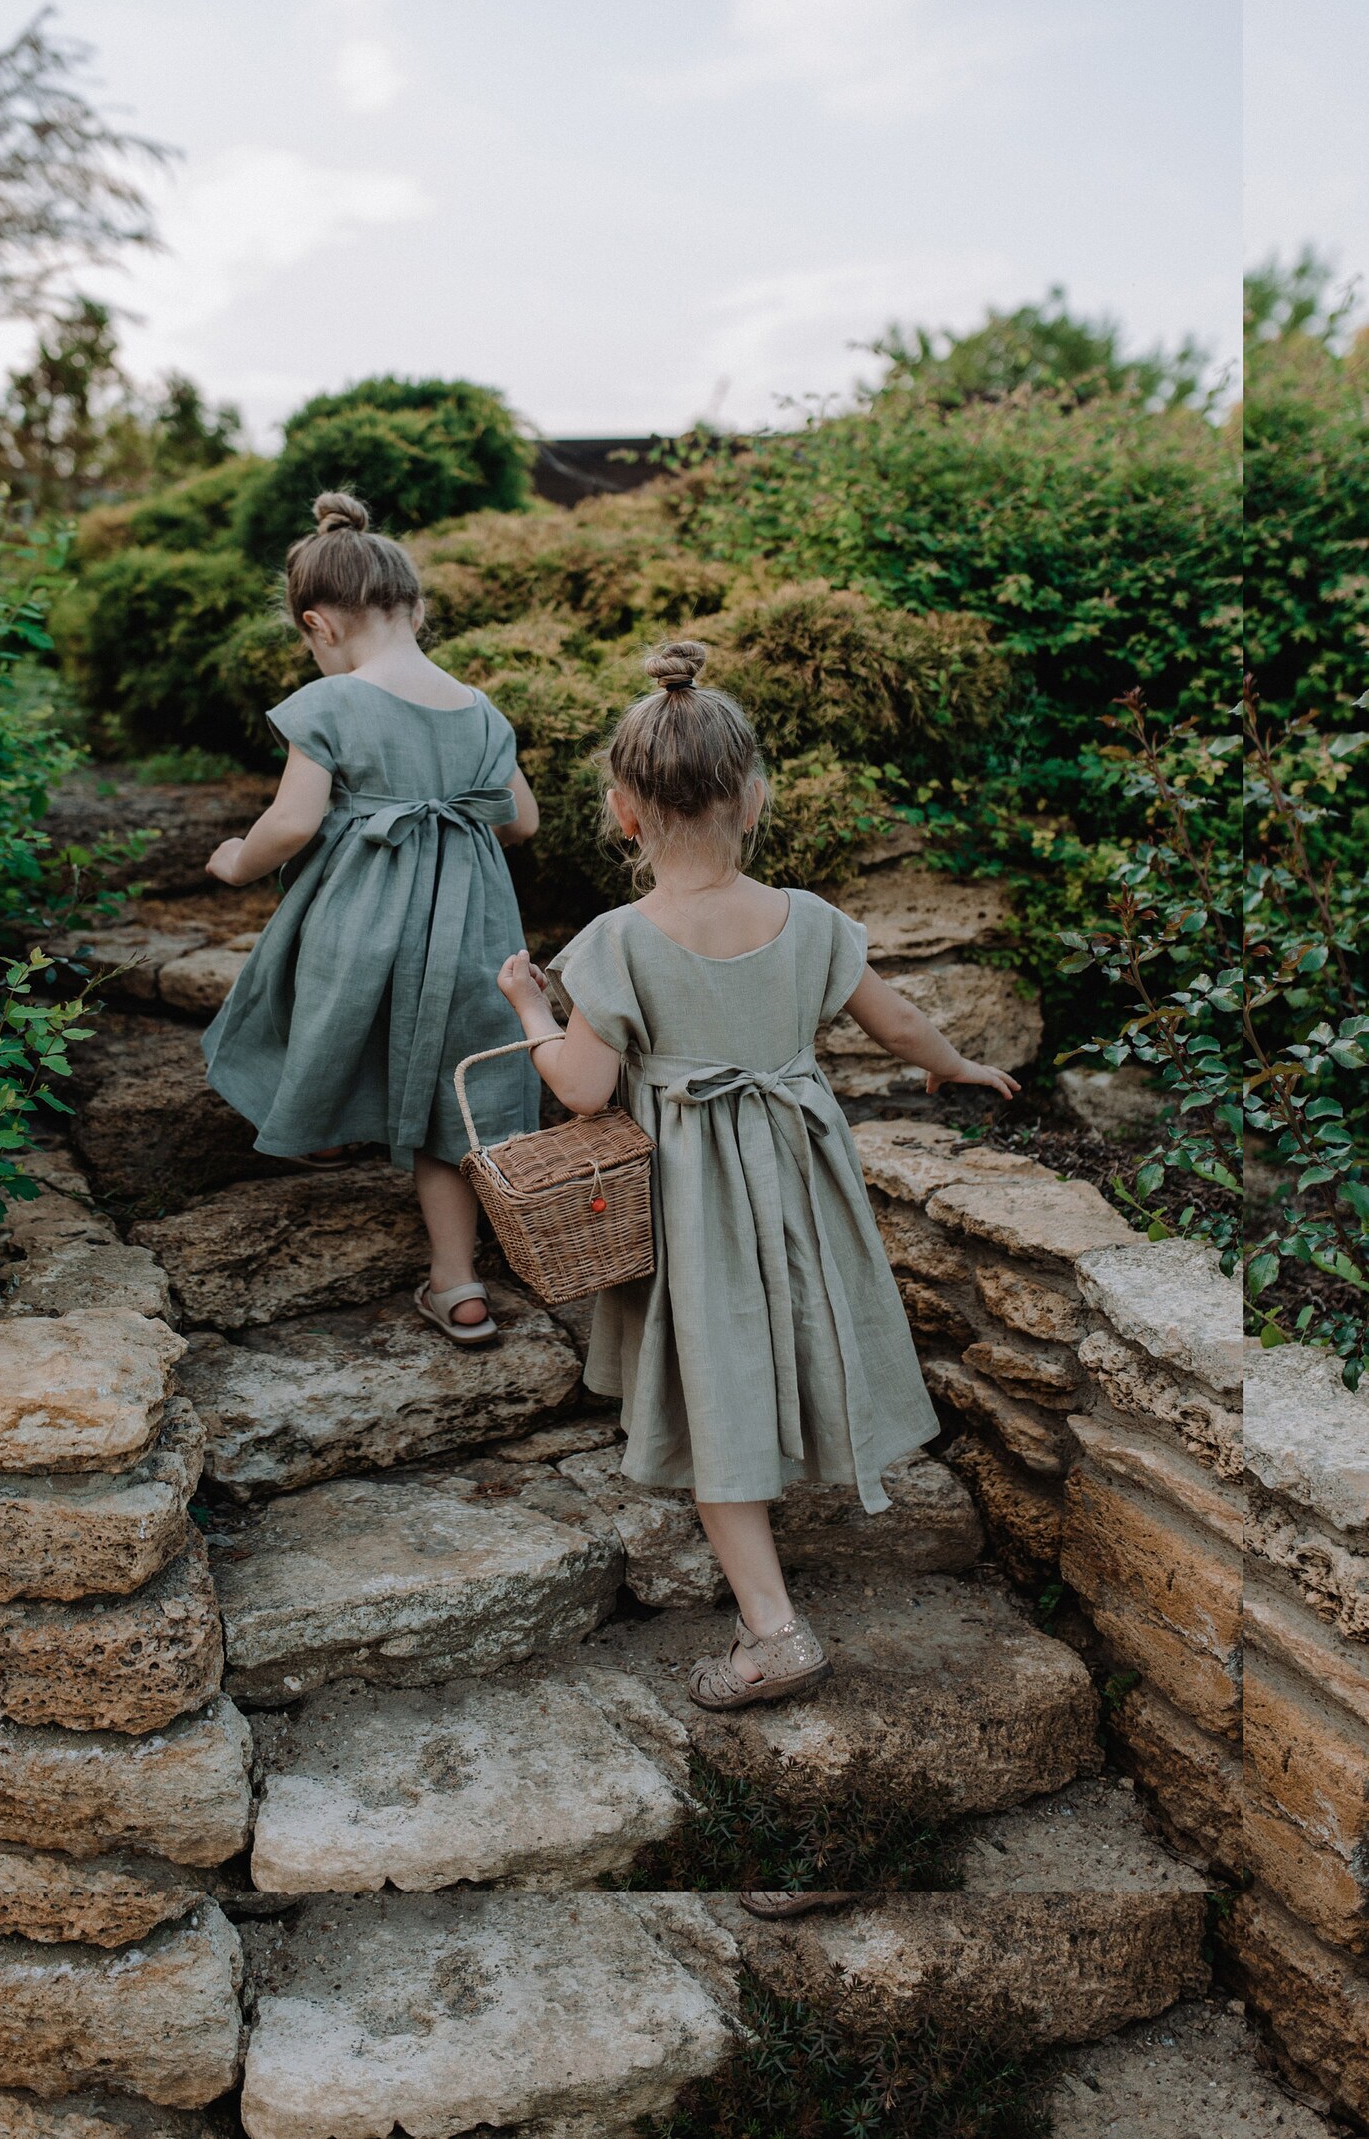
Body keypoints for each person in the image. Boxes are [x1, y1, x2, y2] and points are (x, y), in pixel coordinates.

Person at [496, 638, 1020, 1709]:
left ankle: (773, 1628)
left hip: (694, 1198)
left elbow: (586, 1087)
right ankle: (812, 1502)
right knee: (807, 1320)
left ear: (621, 810)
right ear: (754, 796)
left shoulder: (615, 940)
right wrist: (954, 1064)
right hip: (797, 1167)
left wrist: (529, 1009)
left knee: (714, 1379)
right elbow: (900, 1018)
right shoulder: (810, 920)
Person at [201, 491, 541, 1344]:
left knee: (314, 1011)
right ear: (416, 608)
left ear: (317, 623)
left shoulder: (330, 705)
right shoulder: (479, 708)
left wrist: (238, 858)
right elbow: (522, 820)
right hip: (468, 926)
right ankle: (459, 1282)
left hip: (360, 923)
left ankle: (317, 1126)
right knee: (446, 1099)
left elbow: (292, 822)